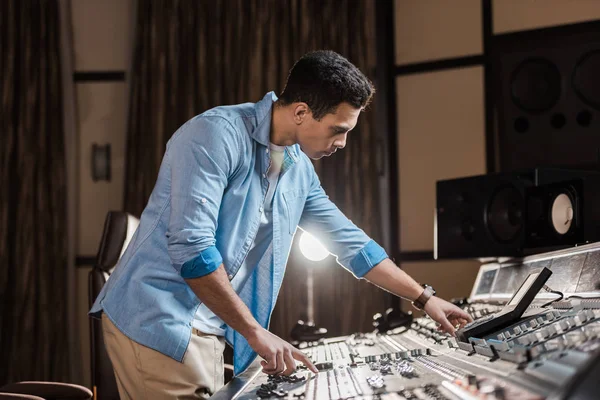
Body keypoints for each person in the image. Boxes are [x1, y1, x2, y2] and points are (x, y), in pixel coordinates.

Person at [90, 50, 472, 399]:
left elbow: (352, 244)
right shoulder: (213, 134)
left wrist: (425, 298)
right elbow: (193, 248)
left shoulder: (299, 169)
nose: (342, 144)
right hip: (157, 317)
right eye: (338, 130)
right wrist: (254, 332)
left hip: (212, 326)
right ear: (302, 112)